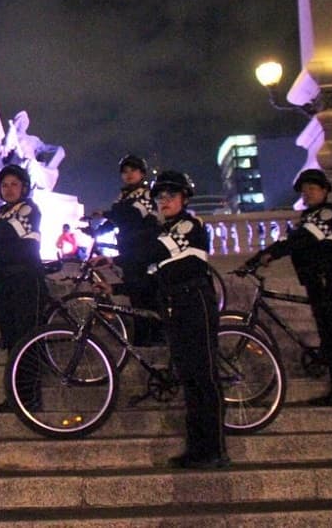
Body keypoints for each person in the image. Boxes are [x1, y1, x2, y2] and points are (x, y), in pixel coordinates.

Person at [130, 170, 227, 469]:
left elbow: (152, 251)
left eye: (171, 195)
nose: (164, 201)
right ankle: (196, 449)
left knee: (204, 377)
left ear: (184, 198)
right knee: (189, 380)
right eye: (160, 197)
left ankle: (215, 450)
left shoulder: (189, 225)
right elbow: (150, 278)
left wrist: (122, 252)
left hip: (195, 303)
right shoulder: (164, 231)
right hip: (174, 306)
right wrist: (116, 288)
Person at [243, 168, 332, 406]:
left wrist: (270, 255)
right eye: (304, 190)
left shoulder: (327, 214)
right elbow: (288, 241)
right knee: (328, 337)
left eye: (312, 188)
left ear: (325, 191)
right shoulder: (307, 218)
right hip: (317, 282)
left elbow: (301, 240)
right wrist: (255, 259)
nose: (307, 193)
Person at [0, 164, 46, 411]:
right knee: (12, 340)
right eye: (4, 185)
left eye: (14, 184)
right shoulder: (1, 213)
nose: (9, 189)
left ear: (24, 187)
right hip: (5, 282)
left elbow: (4, 234)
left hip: (26, 281)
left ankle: (30, 399)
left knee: (26, 340)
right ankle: (15, 397)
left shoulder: (28, 208)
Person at [103, 154, 164, 346]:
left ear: (142, 173)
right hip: (129, 250)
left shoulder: (146, 194)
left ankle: (156, 339)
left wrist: (105, 213)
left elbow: (131, 215)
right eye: (125, 171)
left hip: (144, 250)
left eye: (133, 170)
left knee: (145, 294)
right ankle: (141, 339)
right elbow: (114, 219)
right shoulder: (123, 195)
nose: (129, 174)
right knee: (135, 297)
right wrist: (95, 230)